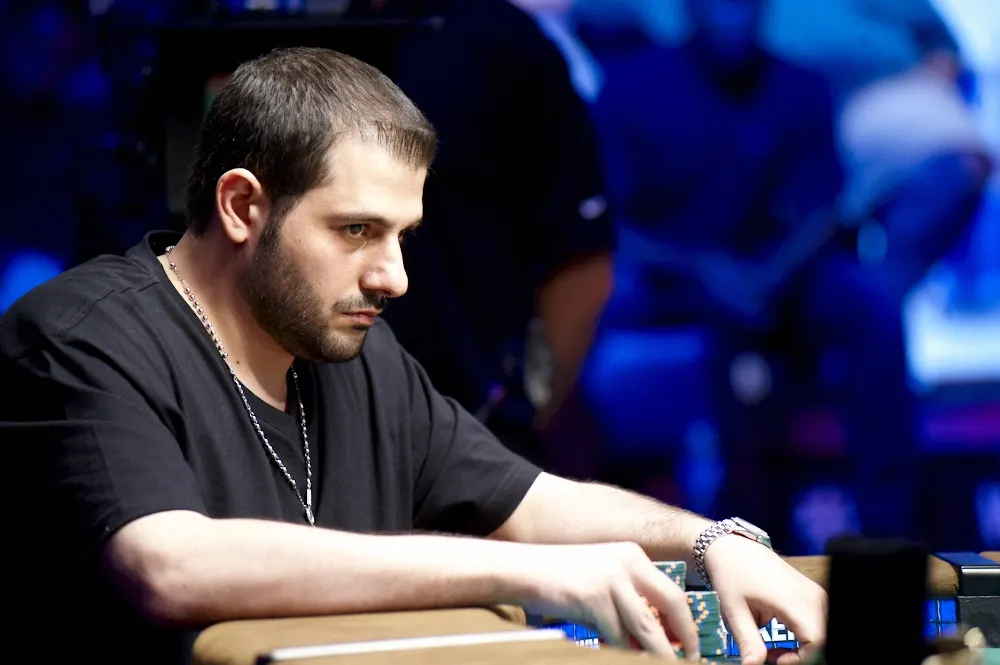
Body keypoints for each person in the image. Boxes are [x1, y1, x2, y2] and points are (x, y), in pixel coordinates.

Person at [0, 47, 824, 665]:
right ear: (243, 205)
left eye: (403, 236)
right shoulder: (78, 334)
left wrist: (715, 541)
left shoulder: (356, 353)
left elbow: (535, 503)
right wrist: (531, 573)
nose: (393, 276)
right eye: (357, 229)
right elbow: (168, 563)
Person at [588, 0, 921, 542]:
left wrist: (769, 276)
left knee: (872, 308)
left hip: (782, 275)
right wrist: (703, 271)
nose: (735, 16)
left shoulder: (800, 86)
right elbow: (611, 223)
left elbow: (822, 207)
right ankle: (731, 527)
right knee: (699, 336)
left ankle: (890, 527)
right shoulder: (632, 88)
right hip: (673, 280)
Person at [374, 0, 614, 464]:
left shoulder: (502, 44)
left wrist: (512, 420)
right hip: (292, 437)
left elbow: (581, 264)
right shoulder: (254, 34)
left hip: (464, 438)